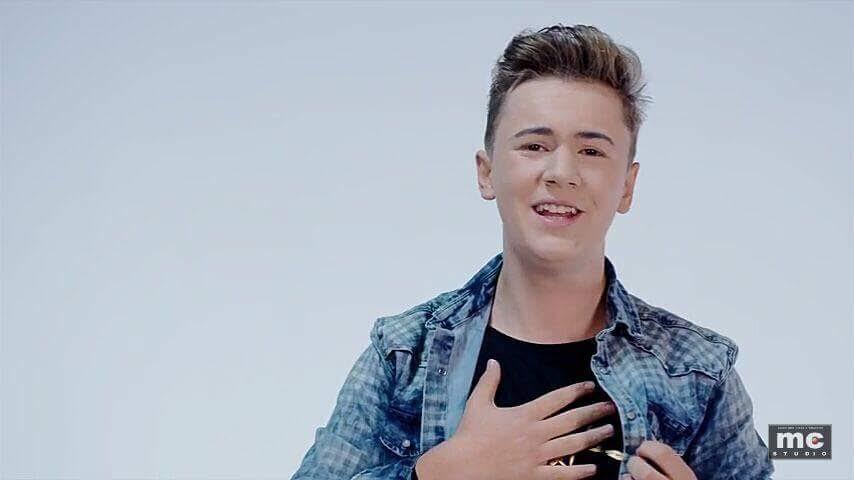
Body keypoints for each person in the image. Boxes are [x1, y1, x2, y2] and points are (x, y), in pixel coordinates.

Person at [290, 24, 774, 480]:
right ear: (486, 173)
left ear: (627, 186)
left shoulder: (698, 372)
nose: (561, 172)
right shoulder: (404, 355)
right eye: (535, 146)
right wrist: (435, 475)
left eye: (591, 151)